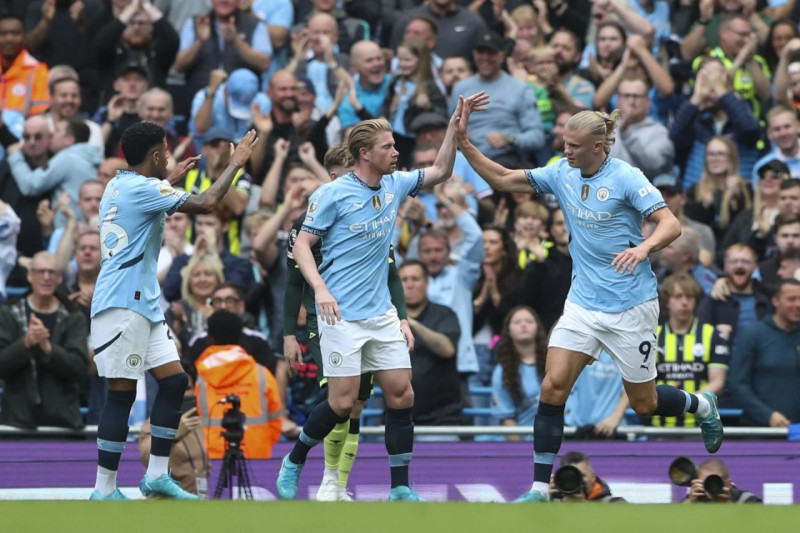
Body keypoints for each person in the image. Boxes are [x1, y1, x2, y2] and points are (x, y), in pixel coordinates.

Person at [455, 102, 724, 503]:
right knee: (552, 387)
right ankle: (536, 489)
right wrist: (465, 144)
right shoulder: (562, 172)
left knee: (645, 403)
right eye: (564, 142)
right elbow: (506, 178)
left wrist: (643, 248)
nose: (566, 151)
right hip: (582, 304)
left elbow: (671, 223)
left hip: (631, 306)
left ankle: (701, 405)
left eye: (574, 145)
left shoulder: (627, 178)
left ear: (599, 146)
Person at [276, 94, 486, 502]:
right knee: (340, 404)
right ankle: (295, 458)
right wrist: (319, 289)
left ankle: (400, 487)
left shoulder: (395, 184)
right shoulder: (332, 194)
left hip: (381, 316)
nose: (397, 151)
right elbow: (302, 246)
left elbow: (441, 170)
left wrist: (453, 128)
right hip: (341, 318)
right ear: (364, 154)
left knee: (402, 393)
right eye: (388, 147)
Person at [88, 121, 258, 500]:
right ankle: (104, 490)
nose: (169, 155)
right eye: (165, 150)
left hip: (143, 305)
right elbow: (209, 201)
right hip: (120, 304)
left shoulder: (120, 183)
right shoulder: (144, 188)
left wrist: (171, 180)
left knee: (175, 381)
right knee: (121, 393)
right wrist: (237, 163)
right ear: (155, 156)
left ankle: (157, 475)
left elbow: (154, 193)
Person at [282, 144, 409, 501]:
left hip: (372, 316)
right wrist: (289, 333)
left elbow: (392, 274)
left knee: (356, 404)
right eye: (338, 176)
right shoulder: (308, 226)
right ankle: (323, 478)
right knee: (339, 400)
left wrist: (402, 317)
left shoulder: (371, 216)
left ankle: (338, 484)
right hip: (326, 321)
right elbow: (293, 283)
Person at [0, 251, 89, 429]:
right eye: (41, 272)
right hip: (17, 422)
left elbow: (79, 369)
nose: (46, 277)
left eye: (52, 272)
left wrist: (49, 348)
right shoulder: (8, 313)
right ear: (29, 275)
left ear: (60, 279)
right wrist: (26, 343)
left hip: (63, 423)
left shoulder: (74, 316)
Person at [195, 309, 282, 459]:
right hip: (257, 455)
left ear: (210, 338)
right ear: (240, 337)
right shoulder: (262, 374)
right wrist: (262, 444)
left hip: (211, 456)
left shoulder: (198, 377)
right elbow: (276, 421)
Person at [653, 273, 730, 428]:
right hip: (659, 425)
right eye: (678, 296)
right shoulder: (652, 336)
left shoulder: (712, 335)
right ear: (667, 301)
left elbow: (718, 383)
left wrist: (682, 400)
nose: (684, 302)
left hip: (700, 426)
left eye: (689, 297)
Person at [400, 260, 462, 429]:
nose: (410, 285)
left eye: (415, 279)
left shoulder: (444, 314)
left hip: (442, 418)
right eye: (404, 280)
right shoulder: (386, 318)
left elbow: (447, 349)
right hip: (398, 416)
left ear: (426, 283)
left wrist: (411, 323)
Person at [729, 279, 800, 427]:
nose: (798, 305)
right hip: (759, 432)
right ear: (775, 301)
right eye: (791, 299)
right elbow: (738, 384)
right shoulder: (753, 334)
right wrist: (768, 415)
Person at [492, 306, 547, 440]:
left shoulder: (554, 364)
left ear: (538, 328)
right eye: (517, 322)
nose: (523, 325)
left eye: (529, 321)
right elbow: (507, 420)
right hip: (521, 445)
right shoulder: (502, 372)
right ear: (508, 330)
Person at [550, 451, 626, 502]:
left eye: (582, 475)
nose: (576, 480)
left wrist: (585, 507)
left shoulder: (613, 504)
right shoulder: (550, 503)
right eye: (570, 476)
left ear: (593, 477)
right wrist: (543, 498)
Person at [684, 459, 762, 503]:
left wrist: (727, 504)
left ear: (728, 484)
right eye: (705, 483)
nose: (710, 487)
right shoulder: (695, 500)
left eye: (714, 482)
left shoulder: (746, 499)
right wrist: (690, 502)